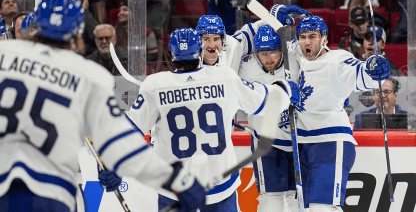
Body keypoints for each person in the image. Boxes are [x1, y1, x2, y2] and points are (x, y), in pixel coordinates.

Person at [0, 0, 206, 212]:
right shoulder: (89, 75)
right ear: (78, 32)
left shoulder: (3, 53)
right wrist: (176, 178)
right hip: (50, 195)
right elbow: (121, 145)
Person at [117, 27, 299, 211]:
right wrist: (285, 89)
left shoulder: (154, 85)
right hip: (220, 186)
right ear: (200, 50)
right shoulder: (223, 77)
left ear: (171, 54)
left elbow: (128, 129)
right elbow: (264, 101)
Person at [290, 16, 390, 211]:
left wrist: (373, 70)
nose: (307, 42)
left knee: (323, 208)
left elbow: (359, 73)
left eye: (313, 36)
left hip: (330, 143)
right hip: (302, 144)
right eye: (302, 37)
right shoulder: (296, 57)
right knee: (302, 208)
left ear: (324, 38)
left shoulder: (337, 60)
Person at [238, 25, 300, 211]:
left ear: (281, 49)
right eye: (263, 54)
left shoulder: (295, 58)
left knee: (296, 198)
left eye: (273, 52)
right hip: (265, 143)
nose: (269, 59)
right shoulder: (245, 66)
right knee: (270, 200)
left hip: (296, 141)